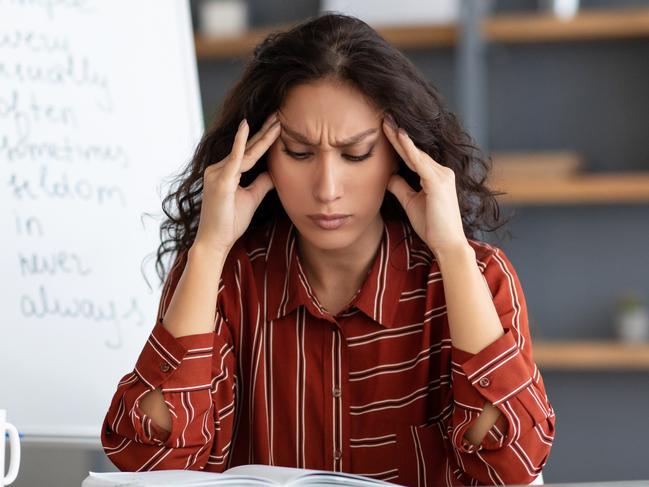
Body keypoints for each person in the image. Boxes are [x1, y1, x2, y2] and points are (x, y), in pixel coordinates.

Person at [101, 13, 555, 486]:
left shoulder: (476, 276)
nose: (327, 188)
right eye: (298, 153)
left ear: (402, 155)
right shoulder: (222, 278)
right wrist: (210, 247)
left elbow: (510, 468)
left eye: (355, 154)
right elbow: (150, 463)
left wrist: (453, 253)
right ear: (260, 156)